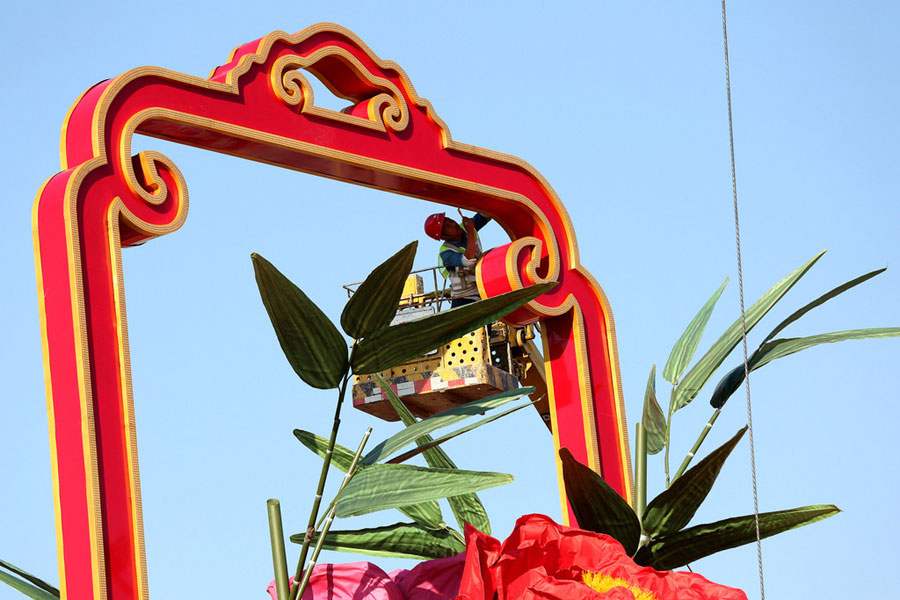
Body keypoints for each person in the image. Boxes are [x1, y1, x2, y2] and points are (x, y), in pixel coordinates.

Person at [424, 211, 492, 307]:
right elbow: (469, 260)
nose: (453, 224)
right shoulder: (446, 253)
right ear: (444, 237)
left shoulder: (465, 228)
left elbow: (485, 215)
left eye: (450, 220)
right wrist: (471, 230)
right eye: (447, 226)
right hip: (464, 299)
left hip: (481, 291)